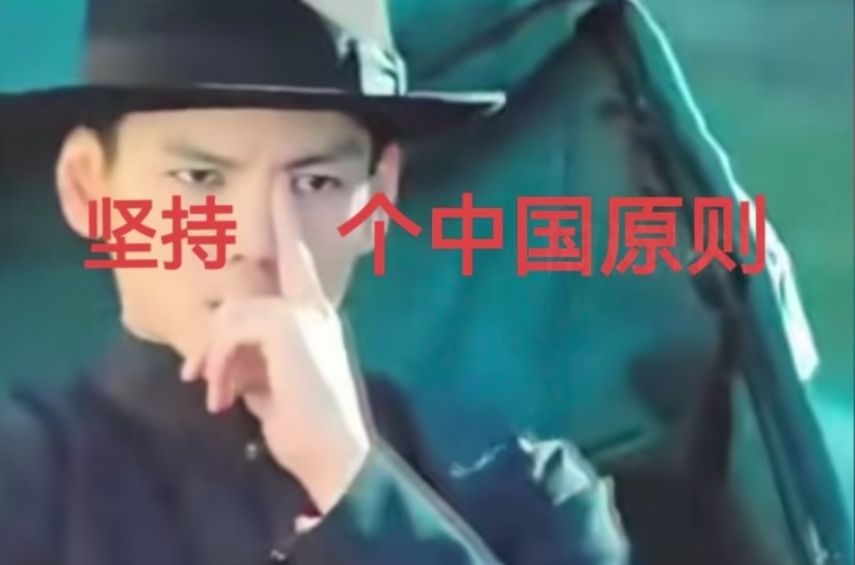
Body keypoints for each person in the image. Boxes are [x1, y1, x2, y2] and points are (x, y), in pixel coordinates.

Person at [0, 0, 629, 563]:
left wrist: (352, 478)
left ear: (377, 201)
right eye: (199, 179)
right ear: (89, 189)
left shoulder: (525, 494)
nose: (258, 242)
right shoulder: (22, 488)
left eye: (315, 182)